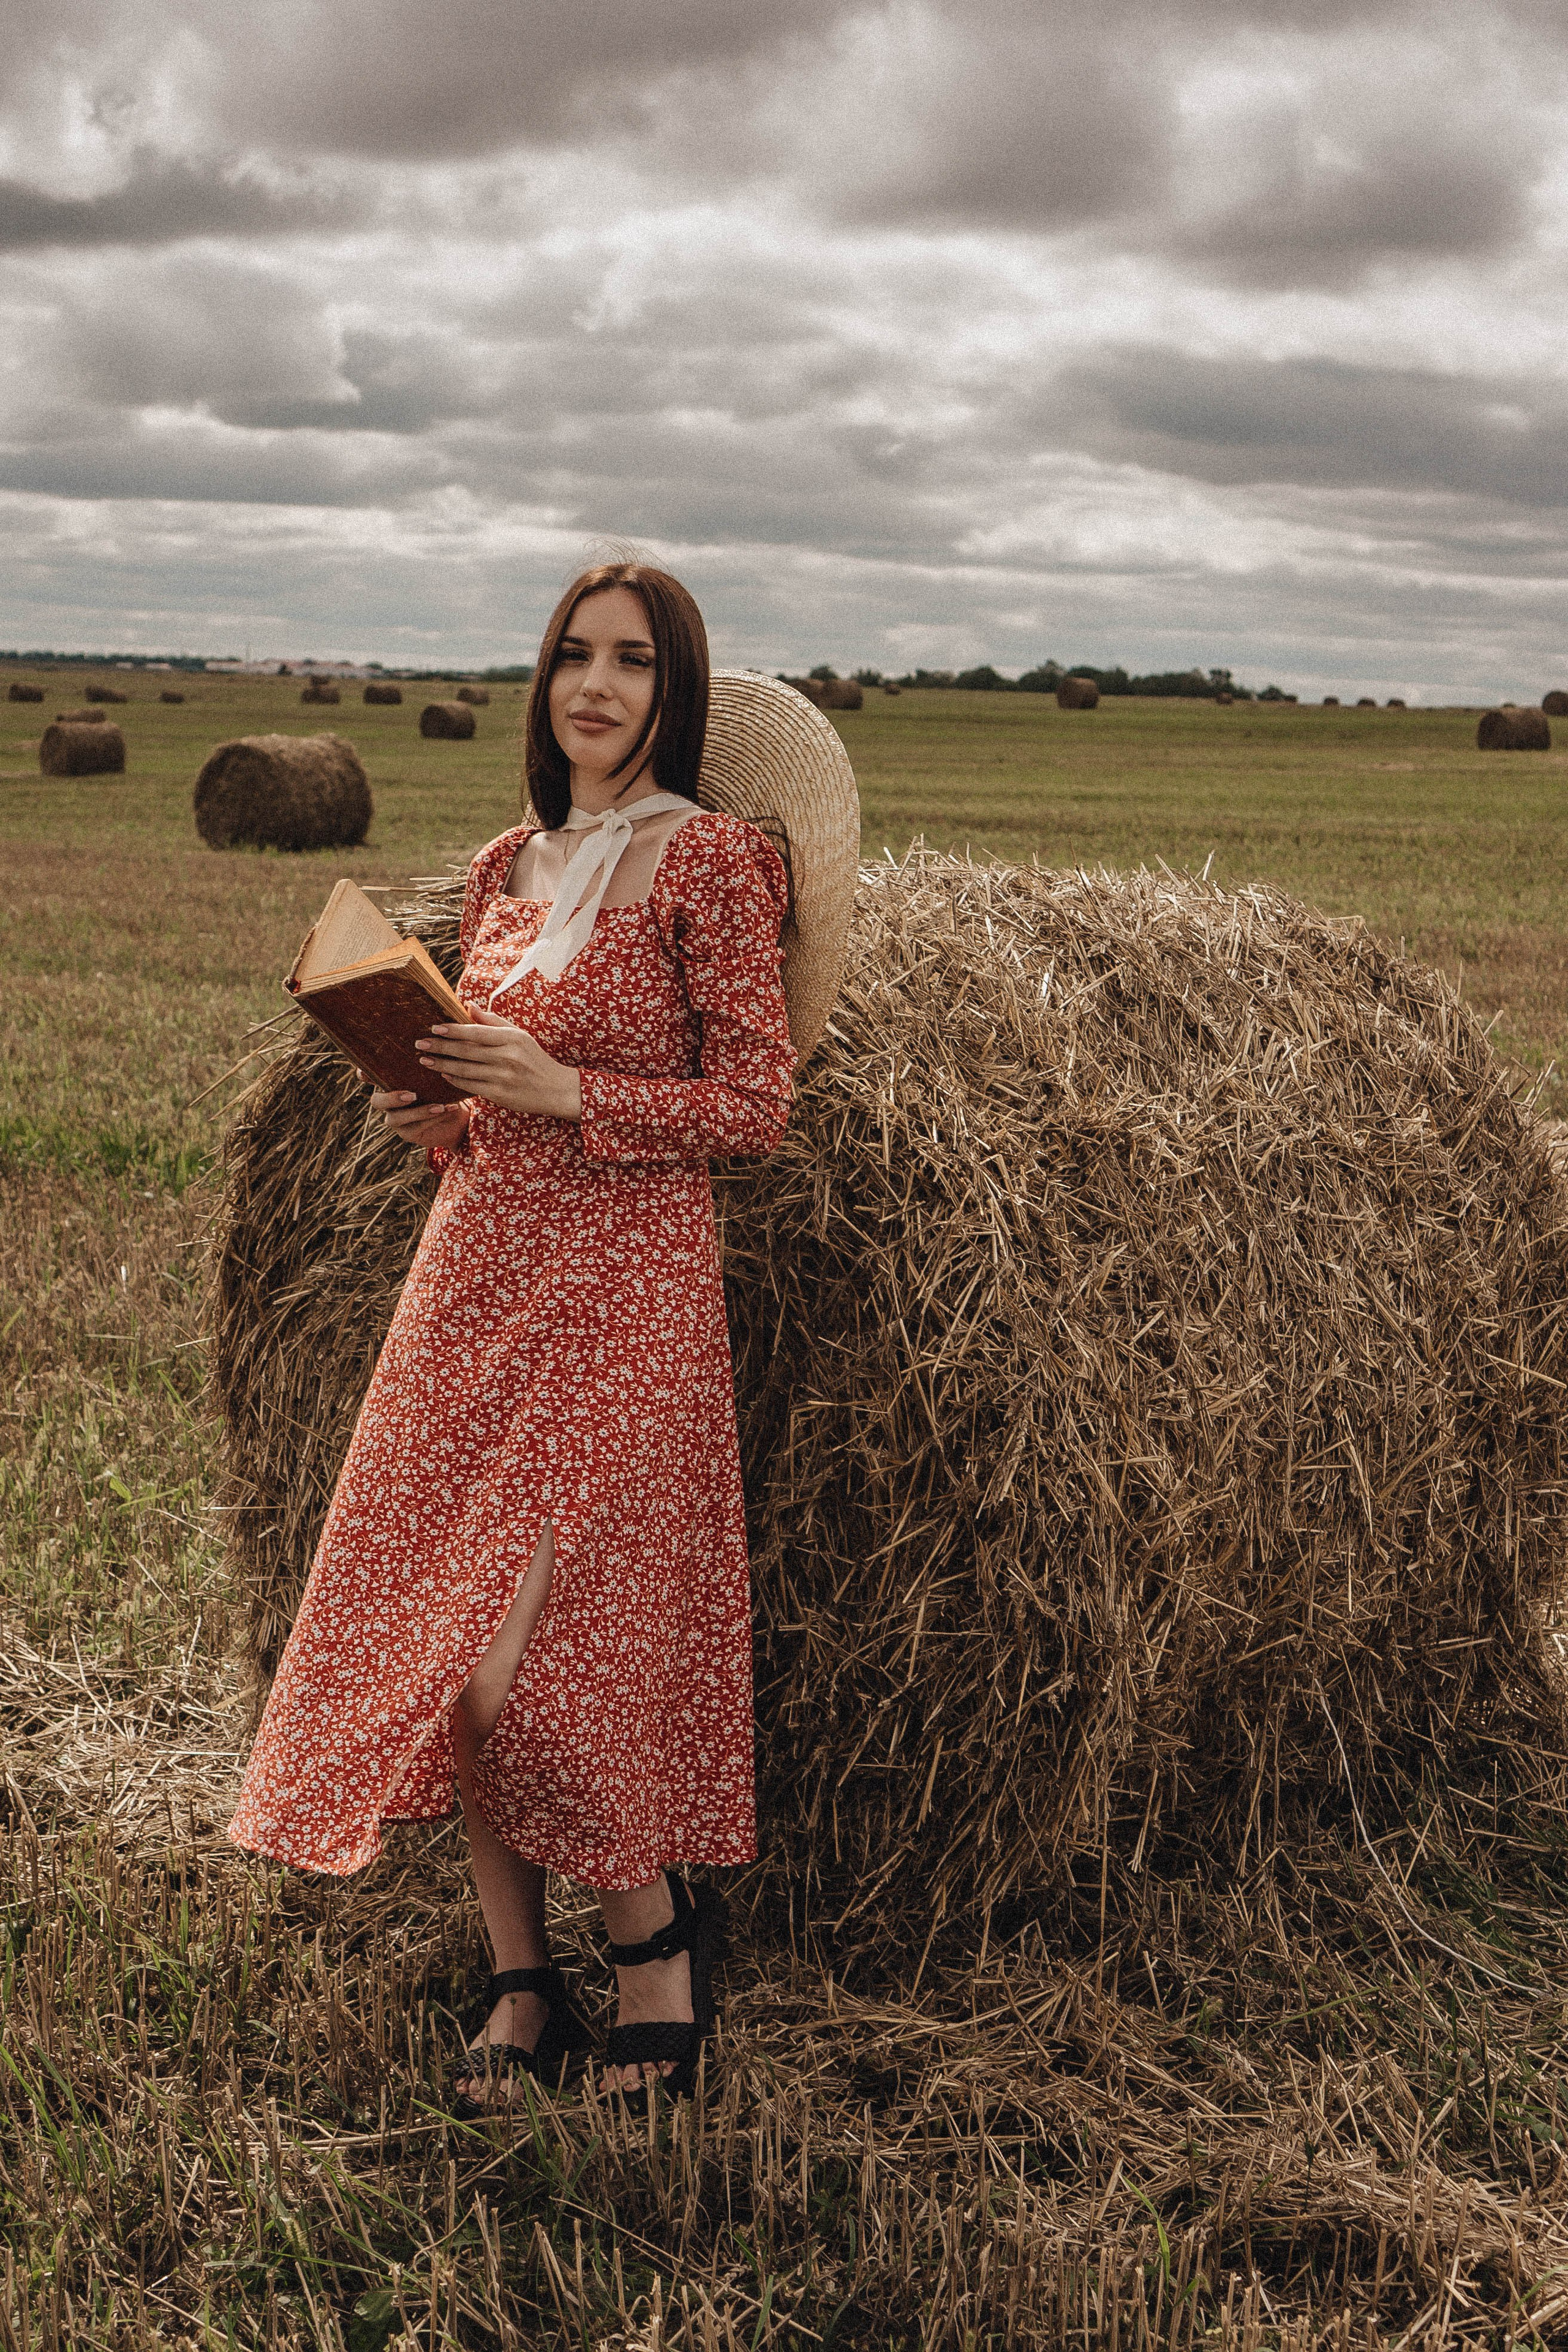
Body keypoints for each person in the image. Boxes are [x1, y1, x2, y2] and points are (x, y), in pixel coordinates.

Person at [229, 560, 808, 2108]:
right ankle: (519, 1977)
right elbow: (472, 1113)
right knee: (438, 1640)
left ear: (673, 693)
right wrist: (429, 1106)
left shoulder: (714, 866)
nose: (595, 687)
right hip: (471, 1275)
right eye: (572, 657)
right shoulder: (506, 867)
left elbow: (756, 1106)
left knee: (530, 1665)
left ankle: (655, 1949)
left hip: (626, 1287)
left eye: (630, 662)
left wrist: (569, 1093)